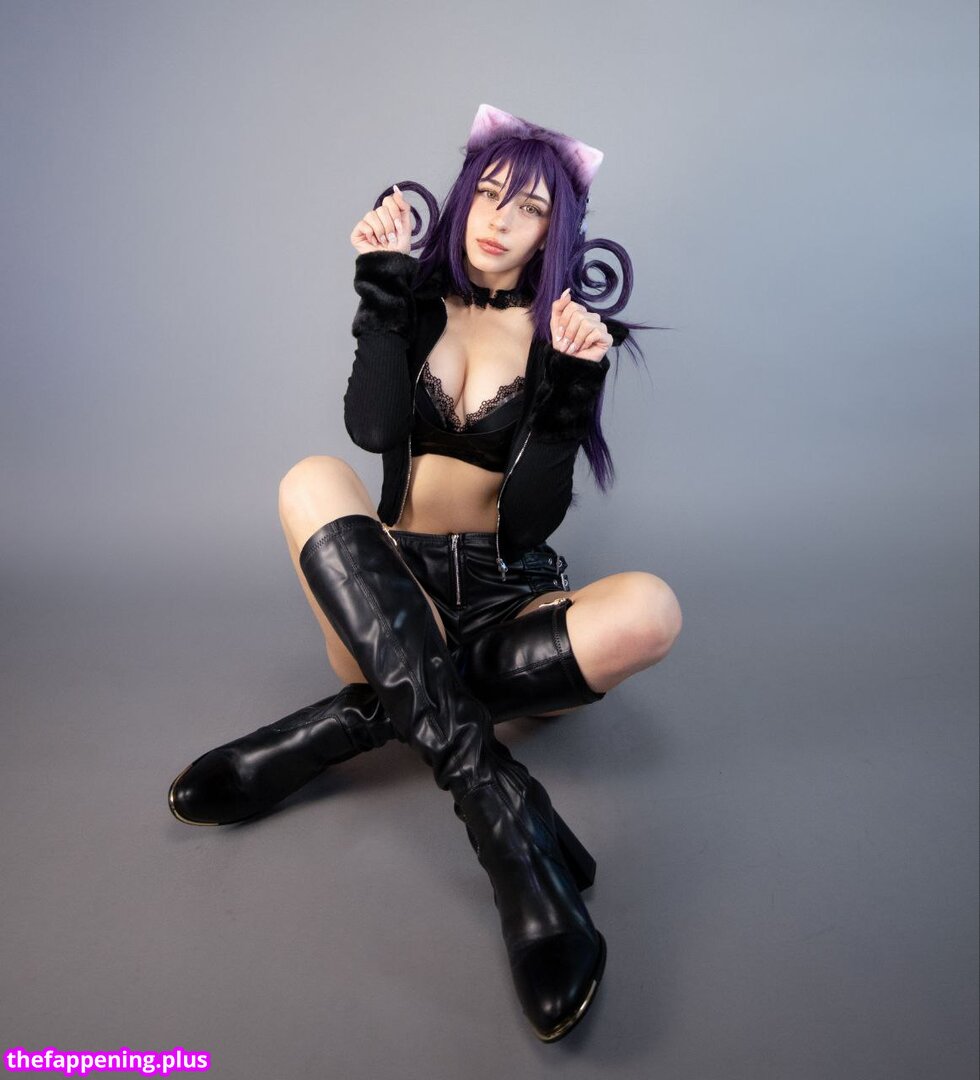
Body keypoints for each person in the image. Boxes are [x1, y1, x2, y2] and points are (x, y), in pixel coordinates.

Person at [168, 104, 683, 1042]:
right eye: (489, 193)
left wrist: (572, 386)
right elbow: (370, 429)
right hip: (389, 589)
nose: (498, 219)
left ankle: (324, 734)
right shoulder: (414, 300)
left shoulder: (563, 333)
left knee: (651, 609)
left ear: (554, 231)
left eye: (528, 208)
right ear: (464, 196)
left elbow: (529, 520)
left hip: (508, 594)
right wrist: (379, 285)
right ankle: (503, 814)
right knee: (309, 478)